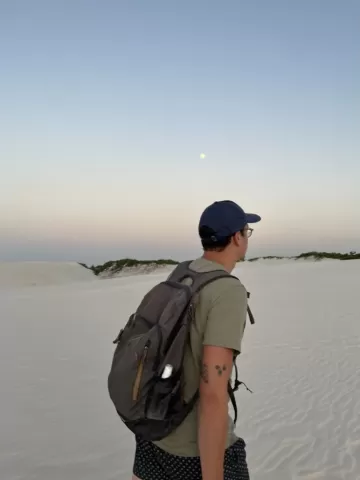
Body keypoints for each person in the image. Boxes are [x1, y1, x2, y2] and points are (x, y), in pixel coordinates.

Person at [132, 200, 261, 480]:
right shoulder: (227, 291)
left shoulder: (182, 272)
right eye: (247, 231)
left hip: (153, 432)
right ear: (237, 237)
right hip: (194, 451)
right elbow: (213, 393)